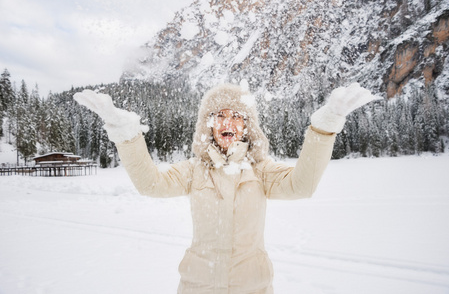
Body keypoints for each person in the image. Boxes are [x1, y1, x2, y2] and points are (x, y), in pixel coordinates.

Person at [74, 82, 379, 293]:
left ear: (247, 126)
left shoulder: (261, 172)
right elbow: (150, 184)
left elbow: (303, 185)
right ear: (208, 124)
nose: (227, 121)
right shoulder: (193, 170)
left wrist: (326, 125)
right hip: (196, 288)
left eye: (236, 115)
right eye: (219, 115)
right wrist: (125, 132)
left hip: (252, 289)